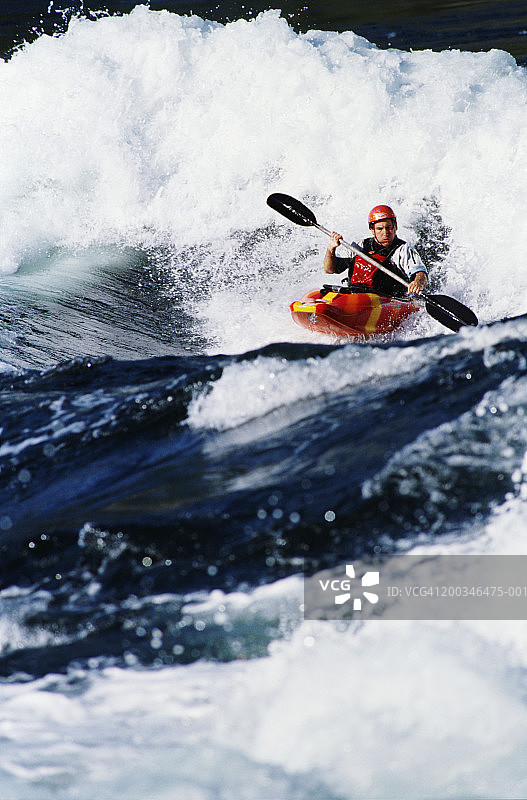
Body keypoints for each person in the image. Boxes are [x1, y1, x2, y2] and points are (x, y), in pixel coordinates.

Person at [323, 204, 428, 296]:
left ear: (395, 226)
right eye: (379, 229)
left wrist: (417, 283)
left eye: (389, 227)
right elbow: (329, 270)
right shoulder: (359, 246)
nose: (385, 233)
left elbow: (420, 274)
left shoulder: (403, 250)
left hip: (388, 300)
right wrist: (331, 249)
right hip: (355, 295)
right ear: (372, 230)